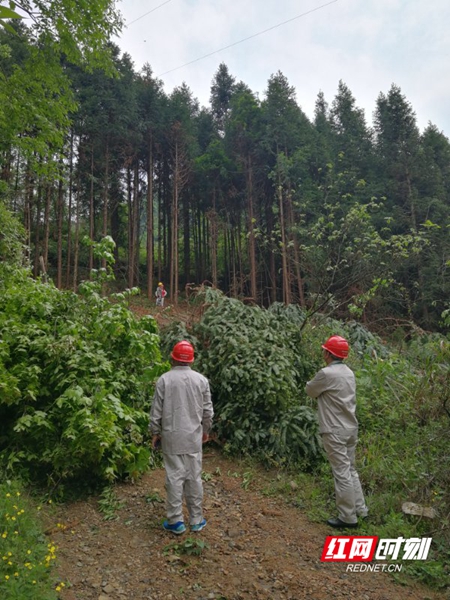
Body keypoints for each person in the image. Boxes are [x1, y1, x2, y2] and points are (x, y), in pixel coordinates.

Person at [149, 340, 213, 535]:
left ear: (173, 358)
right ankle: (196, 519)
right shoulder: (201, 380)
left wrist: (155, 432)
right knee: (194, 477)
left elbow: (156, 411)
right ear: (191, 360)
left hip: (171, 437)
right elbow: (207, 411)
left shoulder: (164, 380)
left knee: (175, 477)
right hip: (193, 438)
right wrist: (206, 430)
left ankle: (176, 521)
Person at [305, 335, 368, 528]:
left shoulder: (326, 374)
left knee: (341, 472)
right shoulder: (349, 372)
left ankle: (348, 517)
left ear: (329, 353)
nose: (323, 353)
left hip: (334, 430)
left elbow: (310, 390)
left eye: (325, 350)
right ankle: (361, 510)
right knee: (351, 469)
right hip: (350, 428)